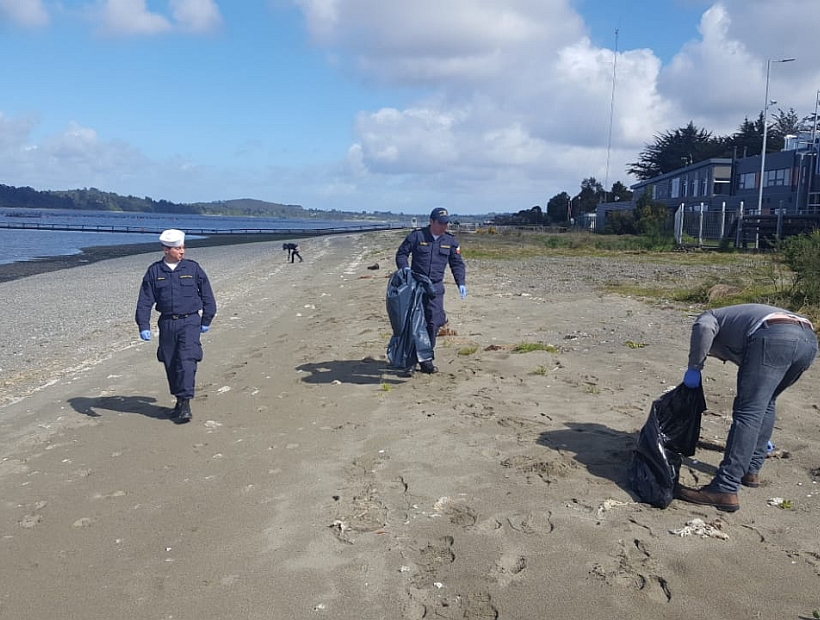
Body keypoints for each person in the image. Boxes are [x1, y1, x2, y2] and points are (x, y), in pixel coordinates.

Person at [675, 303, 817, 511]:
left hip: (774, 335)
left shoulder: (710, 316)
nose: (723, 359)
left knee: (748, 411)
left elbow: (704, 329)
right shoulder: (739, 320)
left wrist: (694, 368)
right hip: (808, 340)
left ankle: (725, 487)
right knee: (766, 402)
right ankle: (751, 469)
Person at [135, 229, 217, 423]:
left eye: (183, 247)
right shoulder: (155, 271)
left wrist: (206, 320)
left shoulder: (192, 268)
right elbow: (145, 300)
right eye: (177, 248)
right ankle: (179, 401)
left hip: (190, 322)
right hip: (167, 324)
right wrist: (143, 325)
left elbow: (207, 296)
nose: (182, 251)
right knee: (170, 362)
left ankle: (186, 404)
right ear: (166, 249)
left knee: (187, 361)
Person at [395, 207, 466, 374]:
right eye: (440, 223)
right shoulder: (417, 236)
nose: (444, 226)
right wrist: (404, 268)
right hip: (415, 287)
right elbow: (401, 254)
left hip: (435, 287)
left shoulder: (450, 241)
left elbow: (457, 263)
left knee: (433, 323)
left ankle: (425, 359)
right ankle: (410, 359)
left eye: (446, 223)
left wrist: (461, 282)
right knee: (413, 323)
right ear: (432, 221)